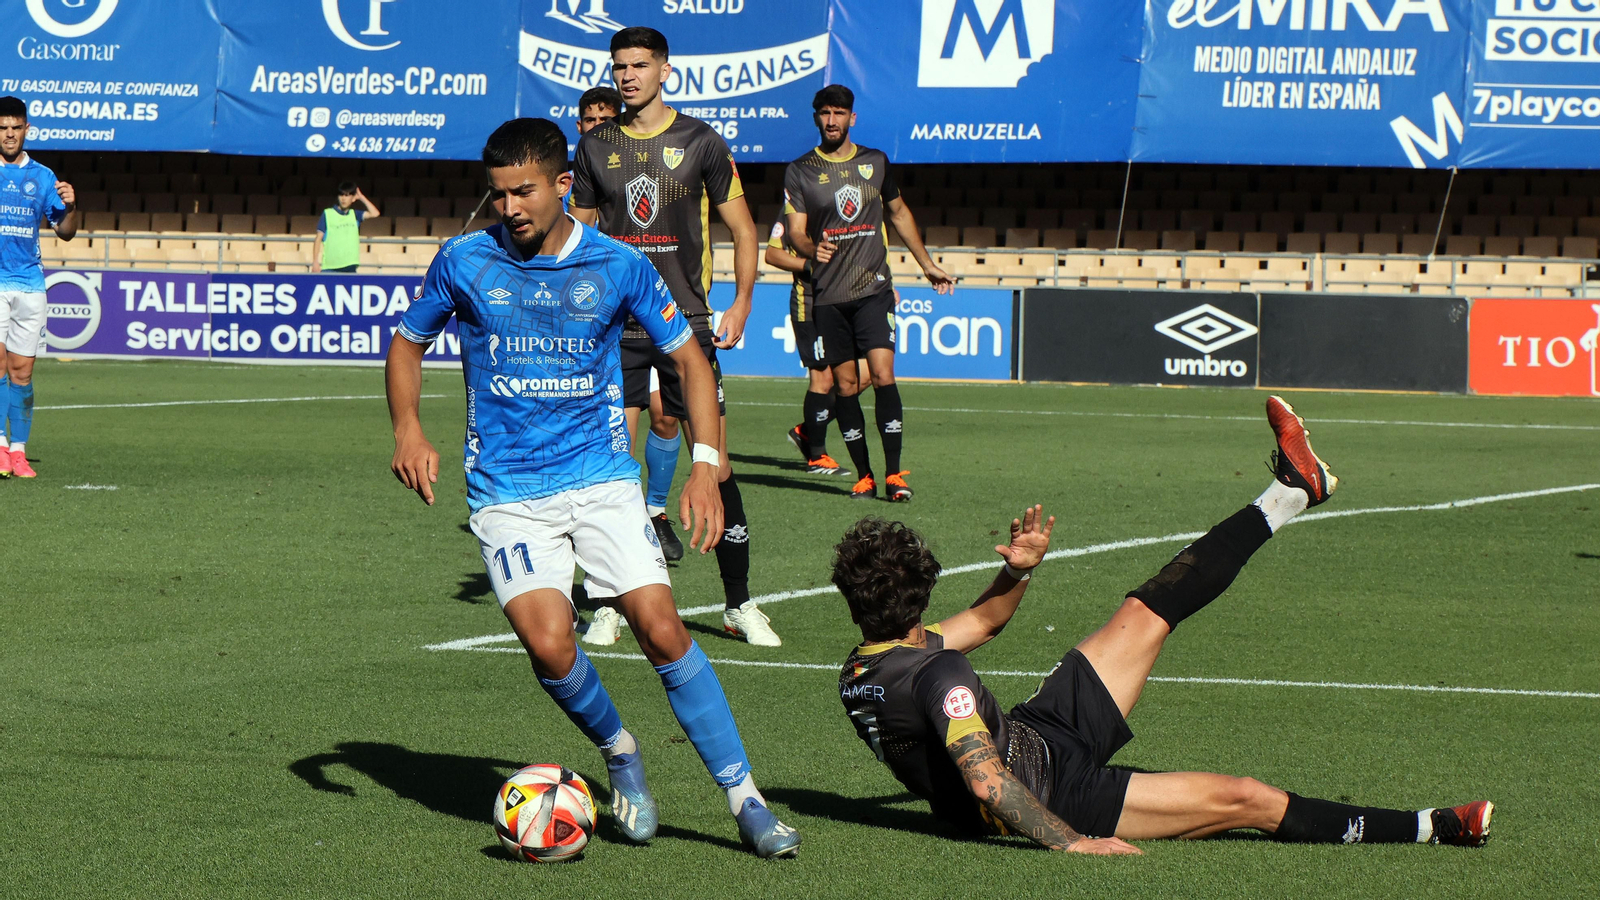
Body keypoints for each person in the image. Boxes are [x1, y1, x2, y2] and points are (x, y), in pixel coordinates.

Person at [385, 117, 800, 859]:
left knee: (662, 629)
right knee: (550, 646)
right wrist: (408, 430)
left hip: (602, 477)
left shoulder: (618, 264)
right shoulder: (463, 260)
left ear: (563, 184)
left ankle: (746, 799)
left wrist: (706, 464)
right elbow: (408, 342)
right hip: (507, 490)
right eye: (499, 194)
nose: (509, 207)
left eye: (524, 191)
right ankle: (620, 752)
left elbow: (690, 360)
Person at [834, 397, 1494, 853]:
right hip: (1060, 793)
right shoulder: (938, 675)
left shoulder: (870, 666)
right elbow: (987, 782)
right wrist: (1072, 840)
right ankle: (1432, 826)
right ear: (921, 595)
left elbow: (984, 620)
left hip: (1041, 733)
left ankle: (1293, 491)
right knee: (1246, 799)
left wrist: (1019, 572)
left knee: (1146, 609)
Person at [570, 26, 780, 647]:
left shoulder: (701, 141)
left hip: (685, 326)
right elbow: (576, 235)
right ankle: (608, 602)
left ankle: (739, 603)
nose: (627, 76)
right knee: (609, 468)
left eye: (639, 65)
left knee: (715, 462)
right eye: (619, 67)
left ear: (665, 70)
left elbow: (744, 229)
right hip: (613, 327)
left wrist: (742, 301)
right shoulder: (596, 145)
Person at [783, 85, 953, 502]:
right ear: (816, 118)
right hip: (828, 296)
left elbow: (899, 212)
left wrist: (927, 264)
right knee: (844, 386)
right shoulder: (800, 170)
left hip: (874, 290)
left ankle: (894, 474)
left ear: (852, 118)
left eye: (839, 113)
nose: (832, 120)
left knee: (881, 375)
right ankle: (865, 476)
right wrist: (811, 248)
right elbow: (795, 232)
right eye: (825, 113)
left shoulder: (875, 162)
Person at [0, 95, 77, 479]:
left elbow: (65, 232)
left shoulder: (44, 177)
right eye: (3, 128)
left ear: (27, 129)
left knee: (22, 372)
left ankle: (18, 451)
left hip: (30, 284)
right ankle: (0, 445)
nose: (9, 134)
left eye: (16, 127)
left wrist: (71, 208)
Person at [763, 218, 854, 476]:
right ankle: (817, 456)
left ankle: (807, 431)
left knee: (858, 377)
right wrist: (809, 265)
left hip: (847, 302)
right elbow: (771, 254)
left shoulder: (844, 208)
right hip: (810, 304)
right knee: (823, 377)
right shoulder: (793, 211)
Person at [313, 181, 380, 274]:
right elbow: (318, 238)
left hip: (350, 267)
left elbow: (375, 213)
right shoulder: (327, 214)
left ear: (353, 198)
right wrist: (315, 262)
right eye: (341, 195)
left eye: (347, 195)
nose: (343, 198)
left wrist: (362, 198)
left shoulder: (355, 215)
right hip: (330, 267)